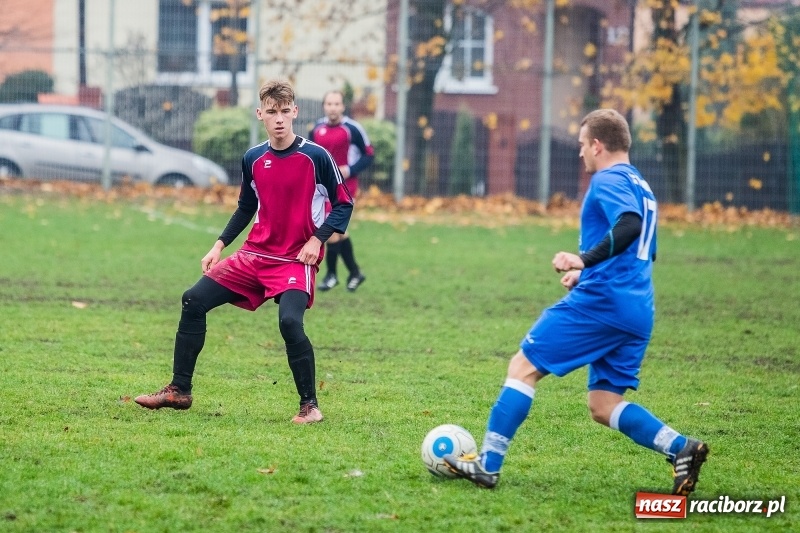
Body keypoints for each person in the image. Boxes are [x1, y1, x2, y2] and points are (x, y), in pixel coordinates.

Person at [444, 109, 708, 495]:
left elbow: (629, 225)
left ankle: (488, 465)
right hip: (637, 306)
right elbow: (639, 250)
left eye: (583, 145)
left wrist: (583, 260)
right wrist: (589, 271)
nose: (581, 153)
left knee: (523, 367)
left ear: (598, 145)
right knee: (603, 404)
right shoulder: (641, 184)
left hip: (603, 304)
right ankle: (680, 447)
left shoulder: (608, 179)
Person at [134, 80, 354, 424]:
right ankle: (179, 390)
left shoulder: (316, 156)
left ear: (295, 112)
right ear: (260, 114)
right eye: (271, 112)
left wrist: (318, 239)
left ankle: (309, 406)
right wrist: (219, 244)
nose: (279, 119)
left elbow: (343, 204)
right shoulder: (254, 158)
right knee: (193, 299)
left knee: (290, 323)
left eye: (285, 111)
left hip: (296, 259)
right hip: (255, 256)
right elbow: (245, 207)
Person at [308, 90, 374, 292]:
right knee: (339, 231)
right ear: (324, 106)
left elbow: (369, 155)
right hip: (323, 187)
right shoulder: (317, 129)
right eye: (329, 104)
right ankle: (354, 272)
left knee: (331, 229)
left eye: (337, 104)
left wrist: (350, 170)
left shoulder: (352, 129)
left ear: (343, 107)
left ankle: (331, 275)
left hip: (346, 186)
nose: (333, 108)